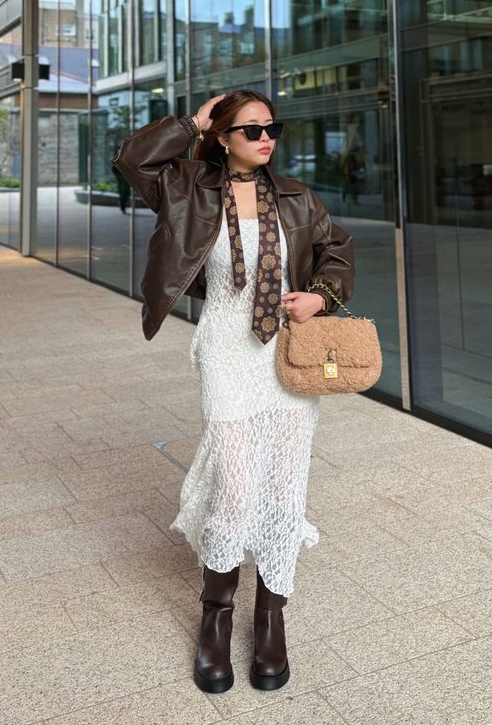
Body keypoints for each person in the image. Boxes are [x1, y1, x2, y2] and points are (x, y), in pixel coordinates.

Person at [112, 90, 354, 695]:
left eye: (272, 128)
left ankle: (270, 617)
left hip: (286, 353)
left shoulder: (297, 197)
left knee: (285, 487)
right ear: (223, 138)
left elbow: (336, 250)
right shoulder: (187, 188)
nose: (265, 138)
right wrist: (191, 122)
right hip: (225, 347)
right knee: (237, 488)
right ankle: (215, 616)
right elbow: (132, 161)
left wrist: (320, 295)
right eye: (250, 130)